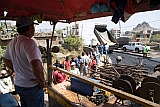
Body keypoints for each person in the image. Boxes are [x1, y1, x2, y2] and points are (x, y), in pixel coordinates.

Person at [3, 16, 45, 107]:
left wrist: (16, 69)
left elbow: (5, 59)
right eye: (33, 26)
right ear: (30, 27)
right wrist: (42, 81)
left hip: (19, 85)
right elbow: (36, 66)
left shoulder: (13, 42)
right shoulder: (29, 43)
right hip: (32, 86)